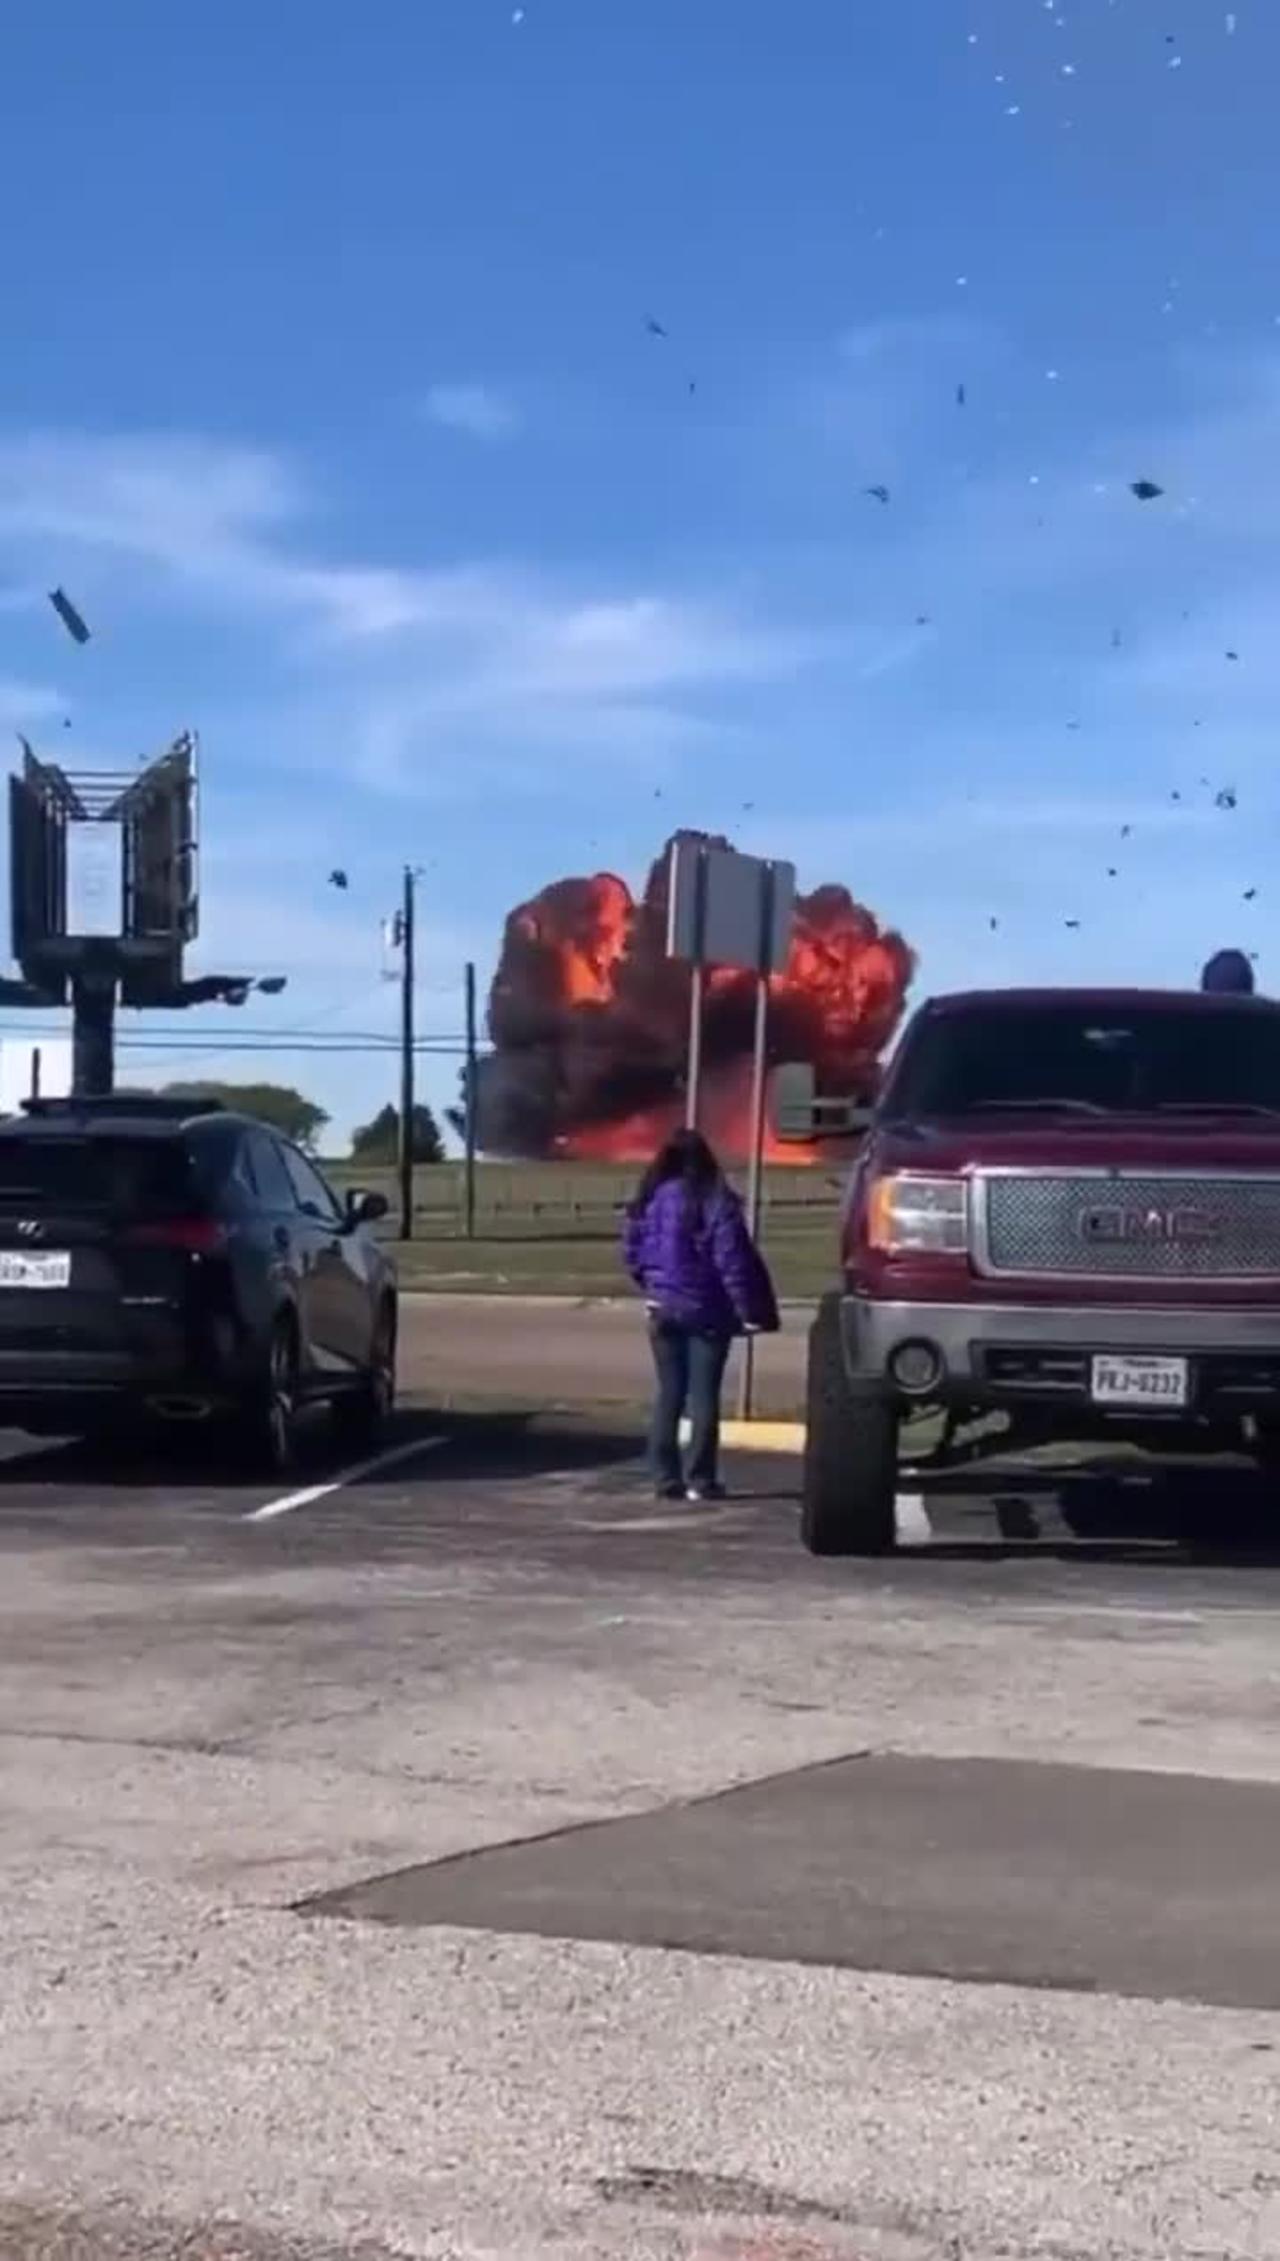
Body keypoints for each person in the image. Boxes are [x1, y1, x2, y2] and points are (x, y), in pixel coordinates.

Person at [622, 1128, 779, 1502]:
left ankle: (664, 1478)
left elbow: (632, 1251)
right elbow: (733, 1262)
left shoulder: (650, 1199)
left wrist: (652, 1285)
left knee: (669, 1394)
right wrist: (750, 1309)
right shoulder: (715, 1201)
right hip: (708, 1311)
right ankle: (701, 1479)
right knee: (704, 1396)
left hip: (662, 1309)